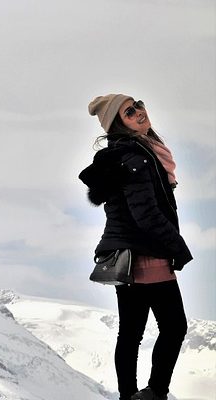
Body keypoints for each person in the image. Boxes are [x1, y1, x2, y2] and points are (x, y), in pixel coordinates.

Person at [78, 94, 192, 400]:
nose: (139, 112)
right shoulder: (136, 157)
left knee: (130, 333)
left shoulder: (133, 153)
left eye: (138, 104)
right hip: (145, 254)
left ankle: (128, 396)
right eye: (129, 112)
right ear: (119, 123)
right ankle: (156, 393)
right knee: (174, 327)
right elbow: (146, 214)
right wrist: (178, 247)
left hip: (127, 255)